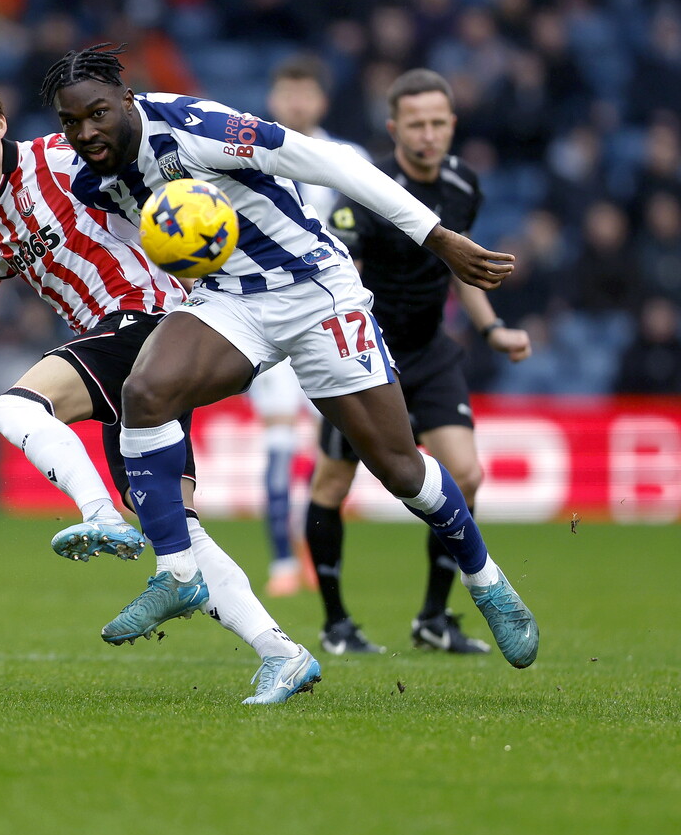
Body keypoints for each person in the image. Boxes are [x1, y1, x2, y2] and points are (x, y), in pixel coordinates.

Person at [44, 44, 538, 686]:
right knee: (146, 391)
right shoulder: (95, 179)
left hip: (314, 291)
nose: (86, 132)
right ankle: (177, 573)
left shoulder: (198, 127)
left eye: (98, 114)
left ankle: (486, 580)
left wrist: (436, 237)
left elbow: (335, 163)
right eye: (71, 122)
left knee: (399, 469)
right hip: (231, 300)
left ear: (127, 99)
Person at [0, 75, 315, 705]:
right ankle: (283, 655)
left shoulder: (62, 155)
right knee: (174, 529)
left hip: (150, 321)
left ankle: (97, 513)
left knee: (15, 406)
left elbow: (146, 159)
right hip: (128, 356)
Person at [307, 68, 532, 656]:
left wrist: (492, 329)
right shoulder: (368, 189)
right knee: (332, 482)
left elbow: (462, 269)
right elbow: (341, 277)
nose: (428, 135)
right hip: (367, 356)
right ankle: (336, 624)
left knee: (468, 474)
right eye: (416, 125)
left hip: (431, 352)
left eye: (437, 123)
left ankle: (433, 617)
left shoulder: (463, 184)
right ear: (394, 128)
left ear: (452, 125)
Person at [248, 55, 368, 597]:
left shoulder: (348, 158)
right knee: (278, 442)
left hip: (332, 320)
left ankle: (315, 553)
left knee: (333, 449)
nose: (296, 103)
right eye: (287, 92)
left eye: (305, 93)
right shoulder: (245, 153)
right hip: (270, 319)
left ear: (322, 100)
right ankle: (281, 561)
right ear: (273, 99)